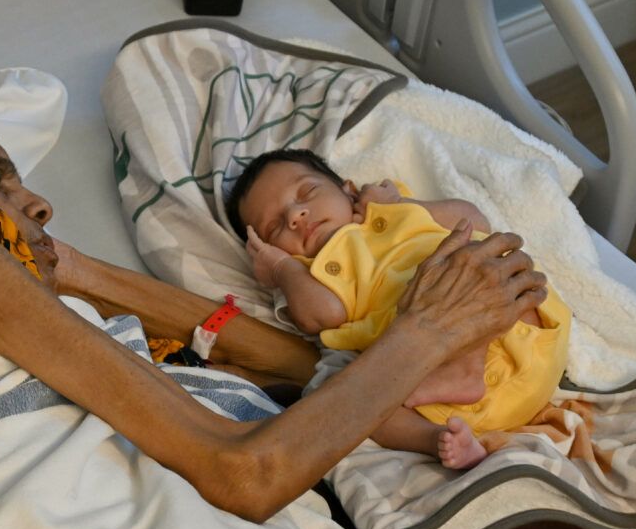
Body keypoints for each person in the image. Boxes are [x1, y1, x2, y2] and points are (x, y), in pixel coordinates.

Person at [0, 91, 548, 521]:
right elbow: (248, 471)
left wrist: (74, 270)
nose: (36, 200)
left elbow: (305, 366)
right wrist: (428, 331)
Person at [225, 148, 571, 469]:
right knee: (356, 399)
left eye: (307, 194)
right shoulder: (307, 274)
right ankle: (442, 441)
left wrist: (403, 204)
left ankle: (466, 367)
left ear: (348, 190)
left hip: (519, 335)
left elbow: (472, 220)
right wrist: (284, 270)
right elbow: (325, 315)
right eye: (276, 227)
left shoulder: (393, 212)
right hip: (439, 395)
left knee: (479, 259)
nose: (296, 216)